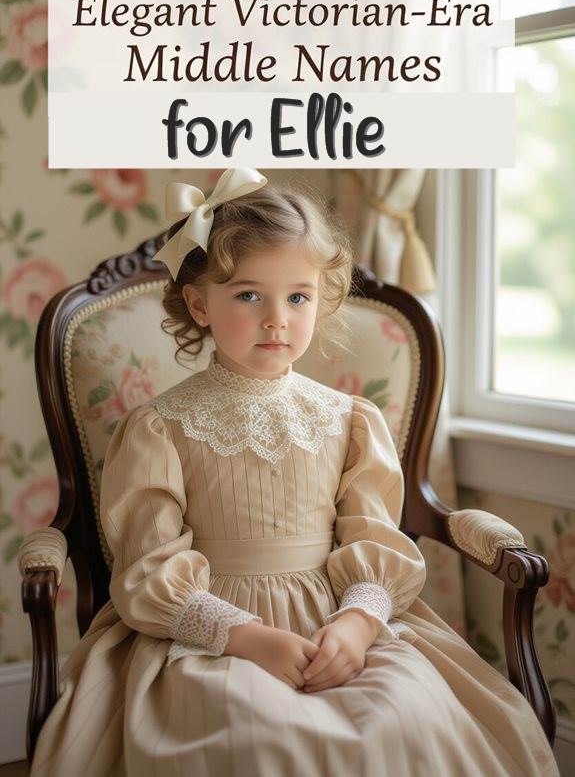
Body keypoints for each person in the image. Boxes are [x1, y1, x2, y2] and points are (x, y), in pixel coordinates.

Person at [29, 168, 558, 776]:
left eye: (297, 296)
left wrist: (359, 624)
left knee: (402, 713)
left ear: (322, 299)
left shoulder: (349, 420)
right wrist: (249, 638)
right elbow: (147, 567)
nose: (277, 318)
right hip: (211, 629)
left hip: (337, 617)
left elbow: (373, 537)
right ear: (200, 304)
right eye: (249, 295)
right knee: (250, 734)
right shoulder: (161, 427)